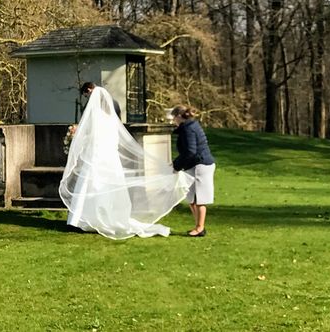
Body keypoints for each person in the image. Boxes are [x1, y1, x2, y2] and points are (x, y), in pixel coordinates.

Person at [59, 87, 190, 239]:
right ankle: (100, 218)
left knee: (88, 188)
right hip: (108, 159)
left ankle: (80, 221)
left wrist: (75, 135)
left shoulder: (95, 116)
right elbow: (114, 140)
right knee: (101, 189)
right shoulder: (111, 119)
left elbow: (90, 137)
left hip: (96, 157)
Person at [171, 105, 216, 237]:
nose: (174, 121)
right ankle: (198, 226)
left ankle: (200, 228)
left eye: (174, 118)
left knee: (199, 199)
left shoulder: (189, 129)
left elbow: (191, 151)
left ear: (179, 117)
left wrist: (177, 165)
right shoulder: (189, 126)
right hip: (194, 165)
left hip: (200, 165)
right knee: (191, 198)